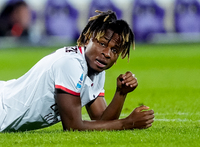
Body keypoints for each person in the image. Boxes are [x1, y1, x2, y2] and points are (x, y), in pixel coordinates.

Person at [0, 10, 154, 132]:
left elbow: (102, 121)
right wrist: (127, 123)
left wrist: (121, 93)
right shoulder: (70, 63)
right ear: (87, 39)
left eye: (114, 50)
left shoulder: (96, 67)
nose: (107, 53)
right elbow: (73, 126)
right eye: (102, 43)